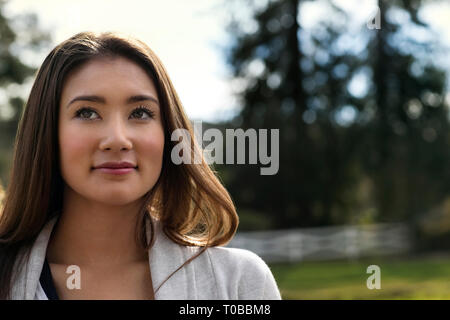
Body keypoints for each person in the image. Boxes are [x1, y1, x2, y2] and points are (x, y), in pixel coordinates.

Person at [0, 32, 281, 300]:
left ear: (169, 135)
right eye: (87, 112)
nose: (118, 139)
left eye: (140, 113)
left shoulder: (239, 283)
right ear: (48, 133)